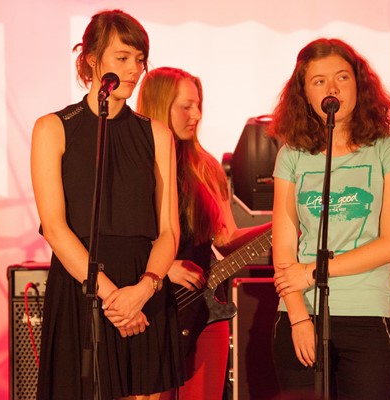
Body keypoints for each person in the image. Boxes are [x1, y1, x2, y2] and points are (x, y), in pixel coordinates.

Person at [30, 10, 184, 400]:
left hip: (143, 284)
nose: (134, 69)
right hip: (83, 283)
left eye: (140, 59)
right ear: (91, 59)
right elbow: (55, 228)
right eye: (123, 57)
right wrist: (113, 297)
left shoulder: (156, 134)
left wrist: (142, 291)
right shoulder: (53, 128)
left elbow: (169, 230)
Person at [268, 38, 390, 400]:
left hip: (368, 313)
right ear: (305, 93)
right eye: (319, 81)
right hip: (300, 313)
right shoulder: (292, 155)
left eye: (342, 77)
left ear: (359, 84)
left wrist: (312, 272)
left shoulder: (389, 149)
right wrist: (298, 317)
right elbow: (284, 245)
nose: (331, 88)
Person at [137, 67, 271, 400]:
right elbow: (115, 243)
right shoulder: (135, 165)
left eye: (198, 105)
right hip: (150, 309)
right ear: (159, 106)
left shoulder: (205, 165)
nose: (196, 115)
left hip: (206, 310)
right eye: (186, 106)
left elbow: (226, 239)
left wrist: (281, 226)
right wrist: (163, 268)